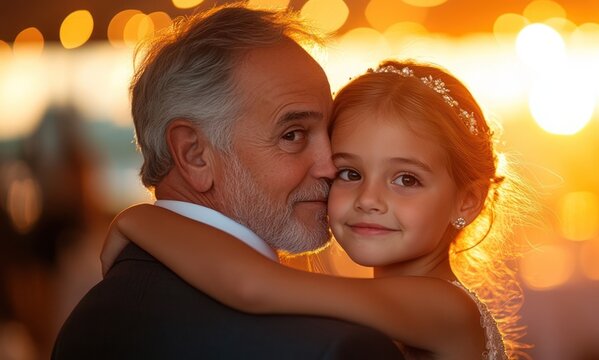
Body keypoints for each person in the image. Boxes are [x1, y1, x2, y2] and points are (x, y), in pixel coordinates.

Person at [103, 60, 530, 359]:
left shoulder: (444, 307)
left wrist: (140, 218)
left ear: (467, 201)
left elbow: (252, 286)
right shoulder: (402, 302)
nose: (368, 199)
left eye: (406, 180)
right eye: (349, 173)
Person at [51, 4, 404, 359]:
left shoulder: (85, 322)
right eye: (293, 134)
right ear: (194, 154)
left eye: (329, 132)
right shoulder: (335, 346)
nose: (330, 166)